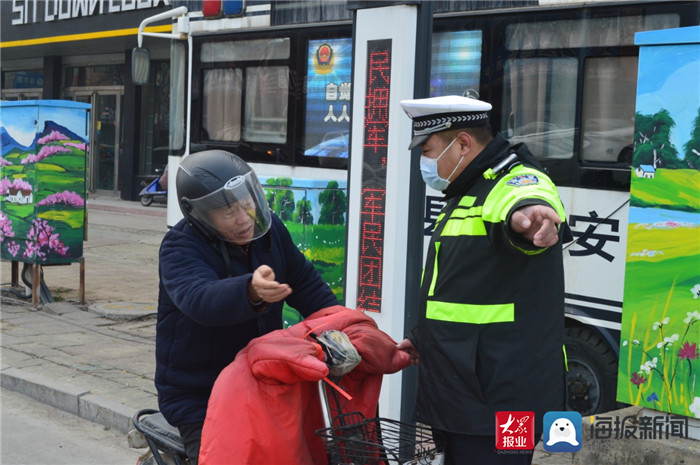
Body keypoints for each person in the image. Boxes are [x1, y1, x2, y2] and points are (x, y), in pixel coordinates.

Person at [397, 95, 570, 464]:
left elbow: (526, 199)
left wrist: (531, 216)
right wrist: (422, 336)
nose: (424, 163)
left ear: (462, 144)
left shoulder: (513, 180)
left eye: (427, 151)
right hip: (464, 402)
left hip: (507, 407)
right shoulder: (465, 191)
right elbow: (465, 286)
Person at [155, 149, 338, 465]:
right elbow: (199, 299)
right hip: (201, 395)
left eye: (247, 204)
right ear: (199, 215)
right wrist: (250, 291)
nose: (243, 219)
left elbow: (307, 285)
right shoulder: (179, 247)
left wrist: (340, 325)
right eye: (227, 212)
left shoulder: (269, 233)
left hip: (264, 381)